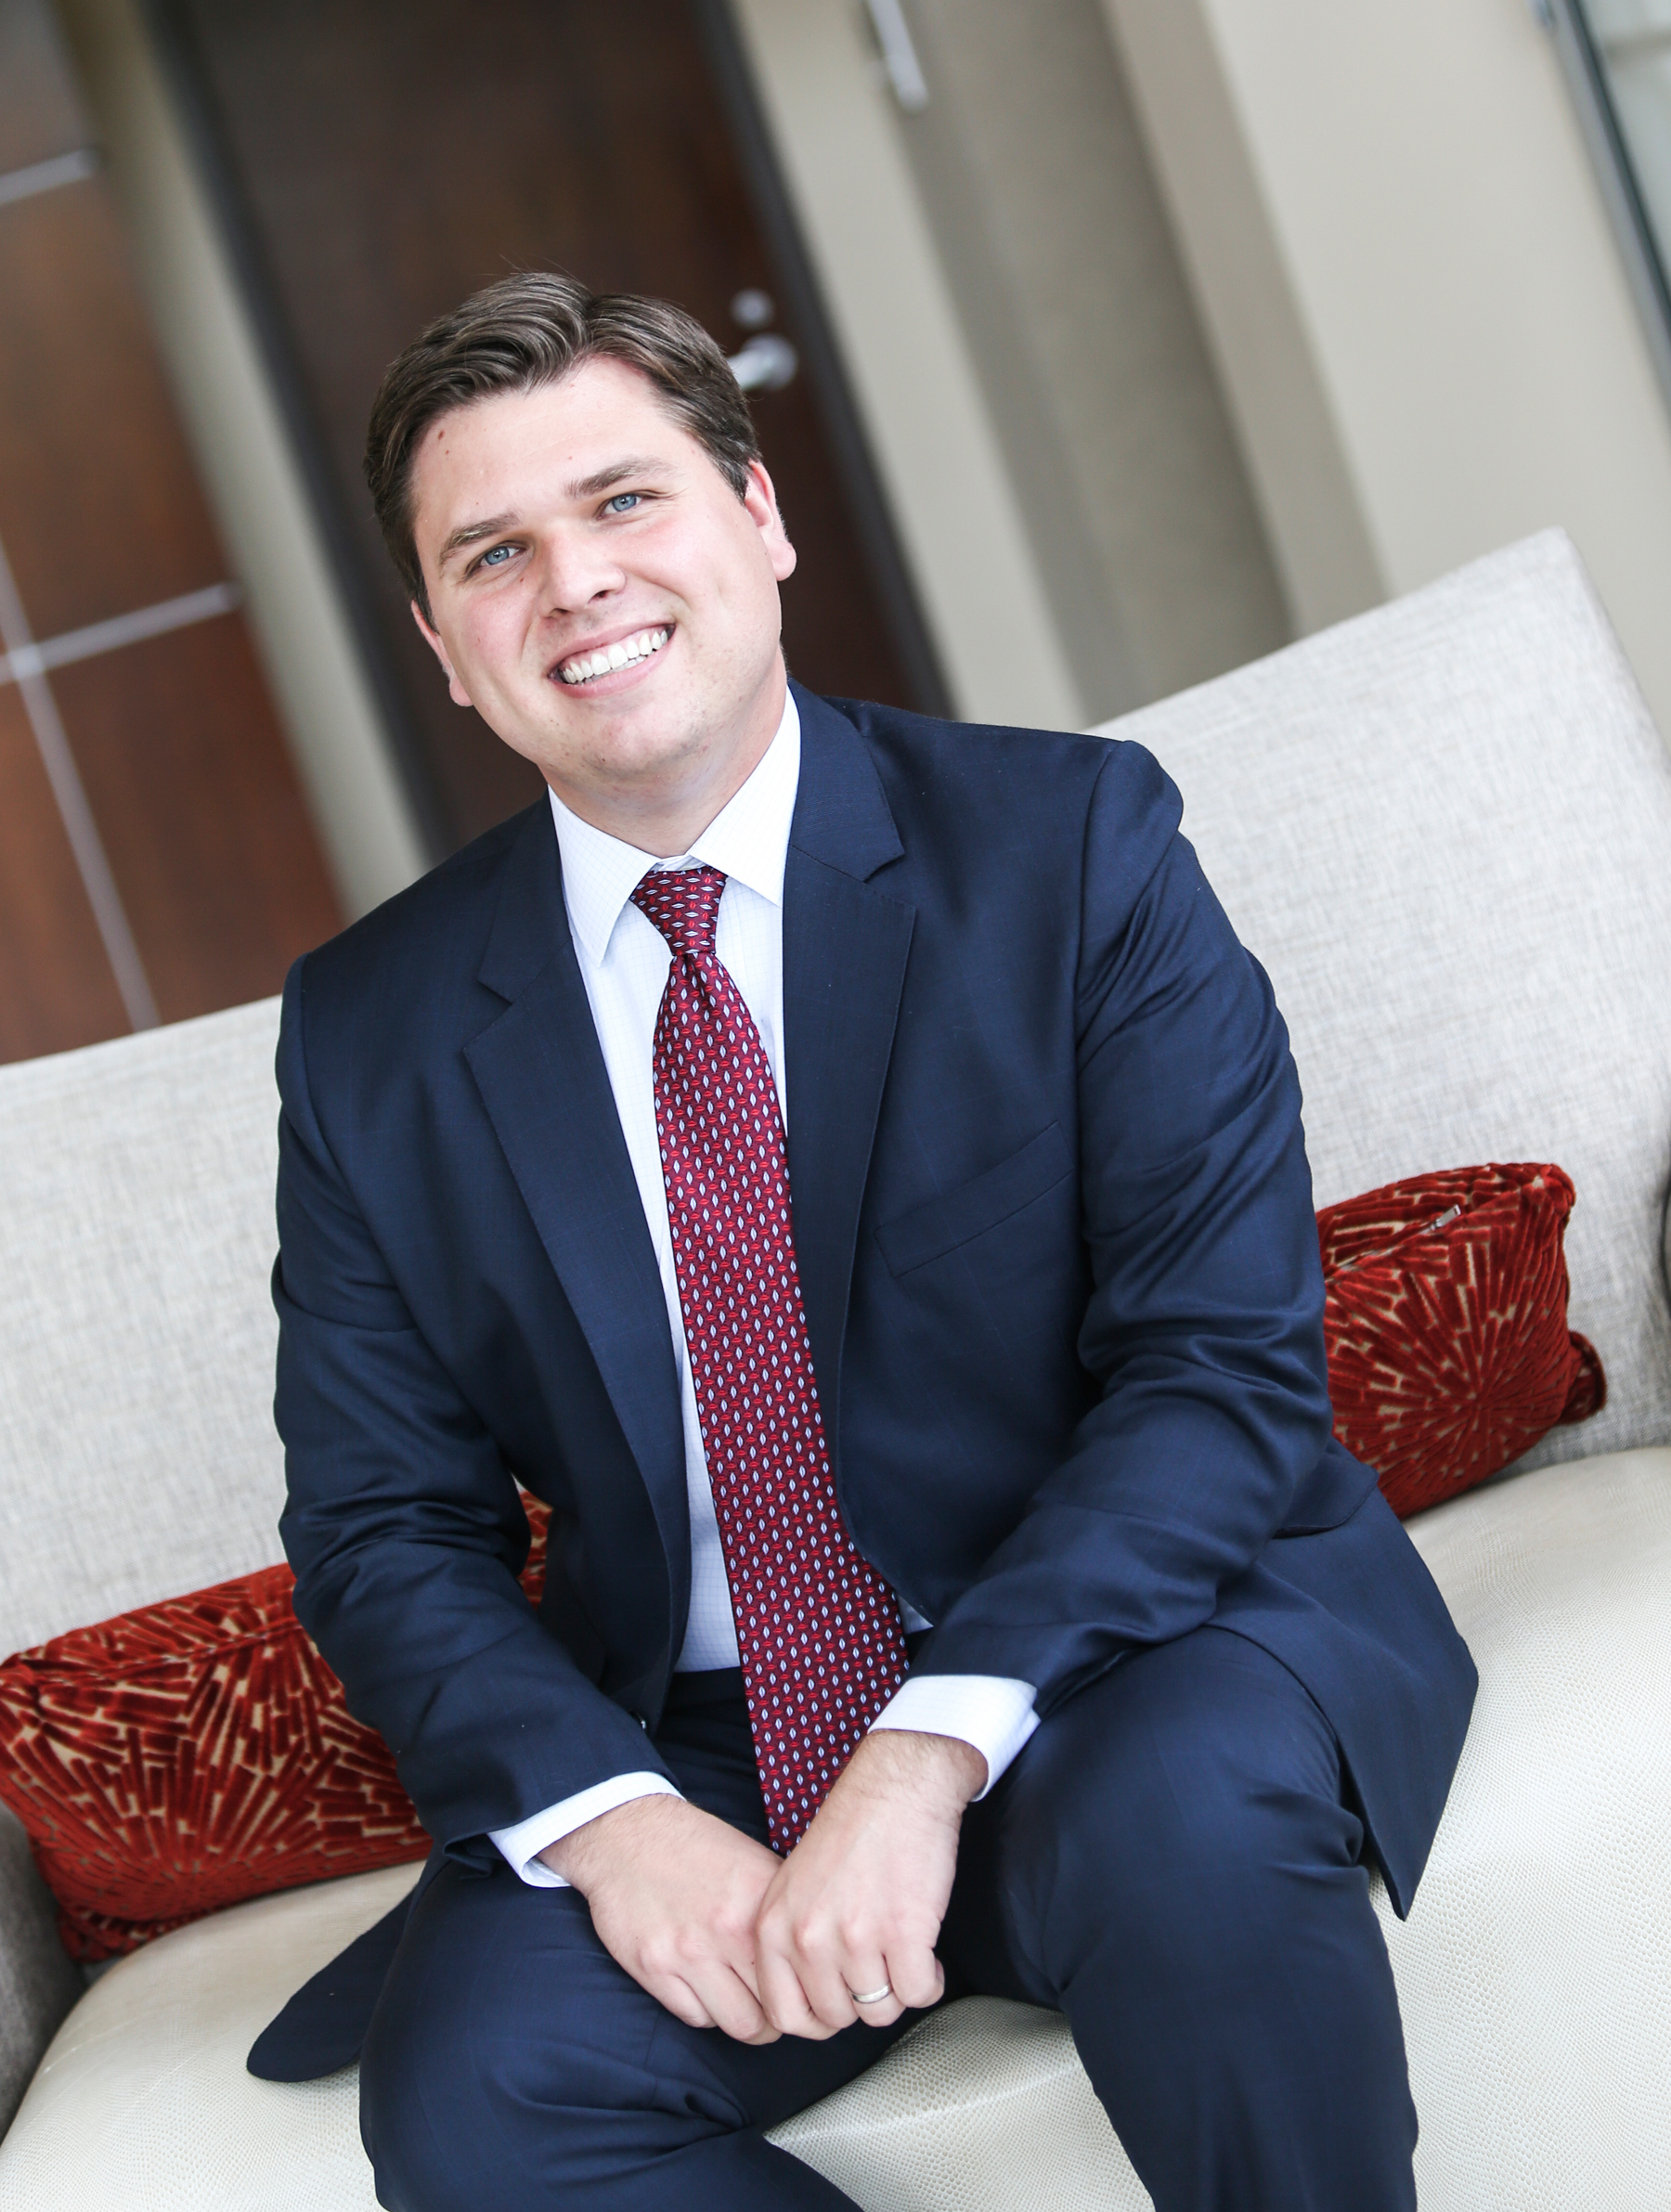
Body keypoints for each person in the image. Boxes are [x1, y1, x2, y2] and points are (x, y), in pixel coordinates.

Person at [259, 271, 1475, 2212]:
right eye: (495, 553)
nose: (576, 581)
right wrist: (612, 1820)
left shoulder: (1074, 849)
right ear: (444, 648)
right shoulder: (369, 1031)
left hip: (1117, 1651)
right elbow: (385, 1527)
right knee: (481, 2104)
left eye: (625, 500)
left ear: (759, 518)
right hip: (702, 1745)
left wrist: (924, 1753)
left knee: (1188, 1829)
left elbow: (1218, 1369)